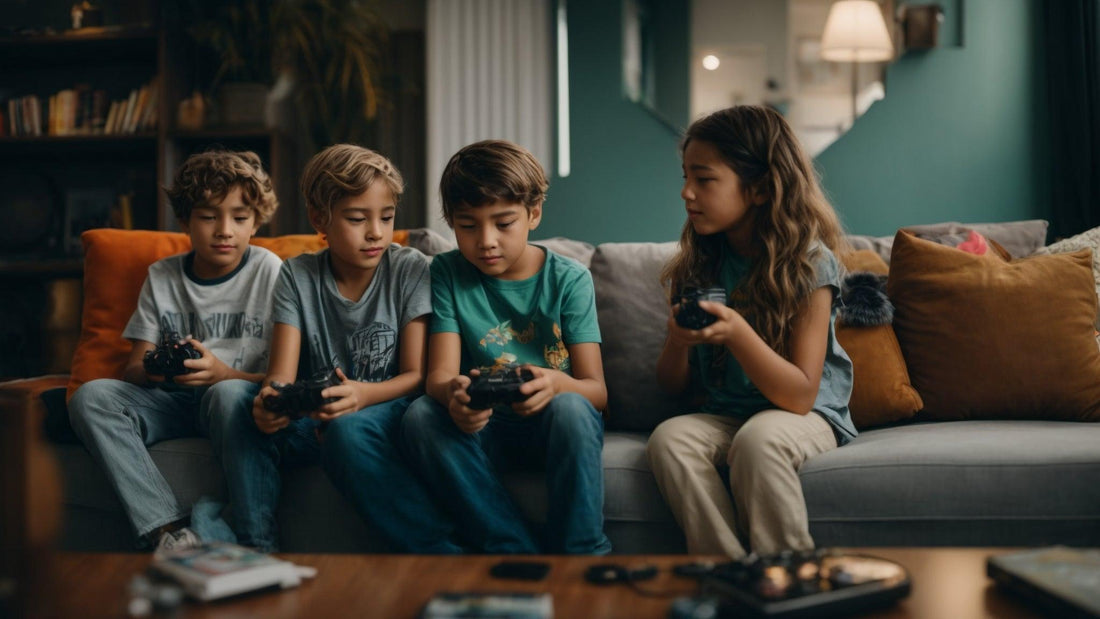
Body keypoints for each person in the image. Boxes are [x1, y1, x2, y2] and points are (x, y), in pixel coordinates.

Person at [201, 144, 459, 553]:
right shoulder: (297, 274)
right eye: (358, 219)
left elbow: (416, 378)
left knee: (346, 430)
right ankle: (256, 548)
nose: (376, 231)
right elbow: (281, 378)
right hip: (316, 416)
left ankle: (437, 551)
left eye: (387, 217)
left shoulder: (412, 268)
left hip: (385, 414)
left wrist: (361, 395)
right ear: (320, 218)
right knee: (231, 395)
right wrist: (270, 403)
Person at [646, 105, 857, 558]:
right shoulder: (698, 264)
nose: (686, 192)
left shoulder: (810, 265)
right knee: (670, 438)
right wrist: (679, 343)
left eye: (704, 179)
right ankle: (729, 572)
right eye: (685, 176)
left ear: (760, 187)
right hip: (727, 414)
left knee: (758, 441)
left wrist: (738, 333)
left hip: (805, 417)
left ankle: (789, 576)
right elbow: (671, 387)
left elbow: (801, 396)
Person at [401, 139, 611, 554]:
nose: (486, 241)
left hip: (554, 424)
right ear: (450, 222)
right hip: (486, 427)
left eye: (503, 223)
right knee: (423, 415)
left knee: (571, 406)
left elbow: (596, 392)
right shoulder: (446, 271)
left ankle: (582, 552)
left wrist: (555, 384)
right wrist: (454, 395)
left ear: (533, 214)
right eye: (467, 225)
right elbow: (438, 378)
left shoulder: (569, 279)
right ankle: (510, 548)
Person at [68, 150, 283, 554]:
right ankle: (167, 530)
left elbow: (284, 378)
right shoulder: (162, 276)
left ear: (256, 222)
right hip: (171, 401)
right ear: (185, 221)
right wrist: (160, 370)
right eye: (208, 216)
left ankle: (245, 529)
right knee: (91, 396)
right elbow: (133, 369)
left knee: (225, 393)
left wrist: (222, 373)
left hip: (235, 401)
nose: (224, 230)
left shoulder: (269, 270)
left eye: (239, 218)